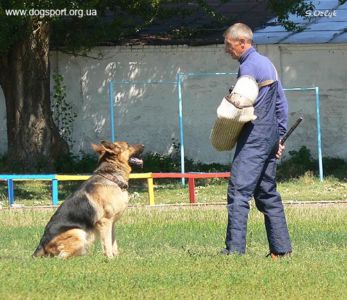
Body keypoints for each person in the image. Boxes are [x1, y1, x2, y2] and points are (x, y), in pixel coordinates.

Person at [222, 23, 292, 258]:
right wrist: (279, 137)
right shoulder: (267, 64)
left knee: (238, 192)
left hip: (254, 135)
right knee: (267, 193)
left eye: (229, 45)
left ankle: (234, 251)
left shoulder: (249, 67)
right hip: (269, 134)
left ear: (242, 43)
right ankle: (280, 251)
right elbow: (281, 103)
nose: (226, 50)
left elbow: (240, 108)